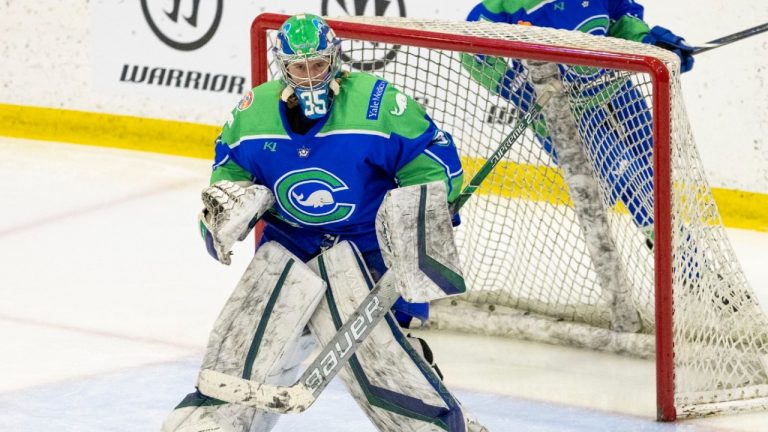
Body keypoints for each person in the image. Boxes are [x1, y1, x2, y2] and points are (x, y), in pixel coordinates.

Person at [161, 13, 487, 432]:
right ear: (284, 68)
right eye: (299, 67)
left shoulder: (378, 104)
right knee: (246, 348)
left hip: (370, 247)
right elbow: (227, 175)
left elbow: (433, 163)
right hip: (291, 246)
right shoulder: (251, 116)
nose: (310, 77)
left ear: (335, 60)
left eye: (318, 65)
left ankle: (437, 426)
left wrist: (421, 213)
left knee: (386, 358)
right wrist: (219, 218)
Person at [464, 0, 695, 246]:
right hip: (561, 113)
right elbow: (474, 55)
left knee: (655, 163)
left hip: (616, 89)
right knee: (627, 176)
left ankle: (669, 244)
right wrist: (520, 86)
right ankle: (684, 259)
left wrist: (649, 44)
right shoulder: (504, 6)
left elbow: (620, 15)